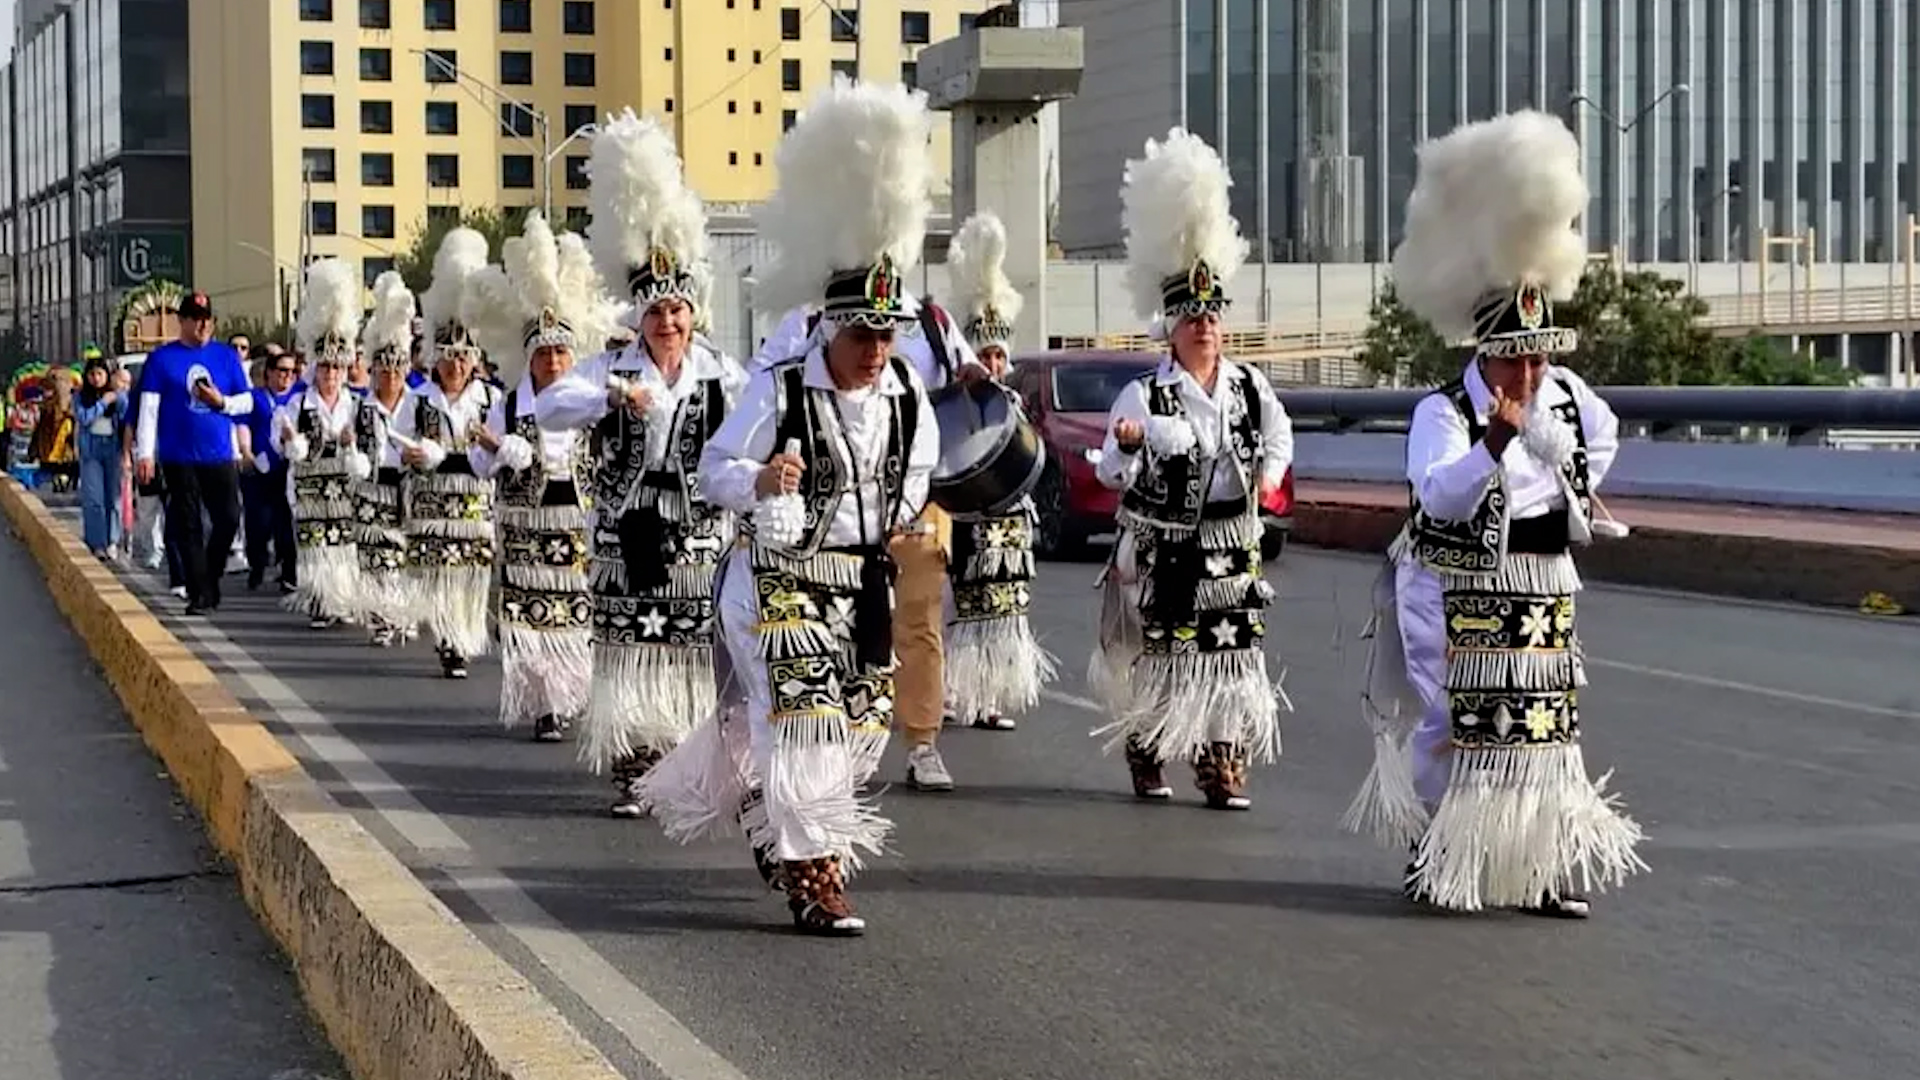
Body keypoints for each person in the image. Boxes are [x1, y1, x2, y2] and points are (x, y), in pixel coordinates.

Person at [637, 77, 941, 936]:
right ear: (829, 328)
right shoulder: (779, 390)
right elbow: (715, 469)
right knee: (803, 716)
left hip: (862, 582)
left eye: (886, 335)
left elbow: (920, 471)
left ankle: (779, 817)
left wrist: (897, 512)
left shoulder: (909, 393)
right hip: (775, 580)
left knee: (863, 725)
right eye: (861, 335)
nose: (875, 351)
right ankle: (814, 874)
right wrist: (764, 481)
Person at [1344, 110, 1646, 918]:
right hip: (1457, 582)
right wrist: (1494, 445)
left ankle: (1541, 862)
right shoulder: (1443, 414)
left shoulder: (1570, 399)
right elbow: (1438, 492)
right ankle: (1443, 845)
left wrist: (1568, 486)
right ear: (1486, 353)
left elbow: (1604, 434)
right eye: (1518, 355)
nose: (1532, 367)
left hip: (1543, 580)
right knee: (1458, 720)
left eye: (1541, 353)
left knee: (1545, 724)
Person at [536, 109, 748, 814]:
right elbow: (549, 408)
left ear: (693, 313)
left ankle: (683, 761)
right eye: (657, 314)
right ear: (640, 317)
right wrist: (609, 395)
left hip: (697, 534)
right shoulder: (608, 366)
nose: (668, 324)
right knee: (630, 646)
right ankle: (632, 763)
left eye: (678, 311)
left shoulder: (721, 372)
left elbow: (758, 422)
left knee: (687, 650)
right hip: (628, 532)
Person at [1090, 128, 1294, 810]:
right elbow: (1110, 471)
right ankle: (1148, 751)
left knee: (1232, 659)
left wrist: (1268, 478)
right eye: (1191, 316)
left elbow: (1280, 437)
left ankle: (1221, 760)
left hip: (1232, 544)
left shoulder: (1249, 388)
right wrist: (1124, 443)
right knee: (1163, 655)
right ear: (1171, 327)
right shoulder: (1144, 394)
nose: (1204, 325)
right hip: (1167, 548)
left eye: (1211, 315)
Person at [464, 212, 610, 742]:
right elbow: (480, 466)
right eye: (544, 352)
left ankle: (568, 698)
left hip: (576, 526)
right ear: (529, 356)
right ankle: (545, 705)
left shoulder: (591, 403)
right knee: (531, 621)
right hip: (526, 529)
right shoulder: (507, 404)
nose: (552, 360)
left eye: (560, 351)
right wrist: (501, 451)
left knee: (573, 618)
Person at [939, 211, 1055, 730]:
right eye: (981, 352)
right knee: (964, 608)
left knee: (1004, 612)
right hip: (969, 520)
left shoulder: (1012, 401)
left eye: (996, 354)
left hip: (1011, 523)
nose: (990, 362)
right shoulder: (956, 401)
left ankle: (992, 696)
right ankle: (958, 691)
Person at [396, 227, 503, 680]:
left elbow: (502, 451)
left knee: (471, 578)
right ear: (434, 358)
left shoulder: (491, 399)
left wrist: (491, 448)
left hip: (476, 503)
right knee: (441, 575)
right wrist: (416, 455)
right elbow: (396, 446)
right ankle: (448, 642)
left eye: (464, 356)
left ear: (474, 359)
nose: (456, 364)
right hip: (435, 503)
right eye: (448, 356)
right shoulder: (418, 400)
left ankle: (465, 635)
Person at [132, 290, 255, 615]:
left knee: (228, 519)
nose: (202, 326)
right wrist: (145, 454)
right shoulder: (161, 359)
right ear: (182, 322)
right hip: (178, 455)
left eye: (207, 320)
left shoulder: (227, 357)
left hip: (219, 454)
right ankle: (199, 594)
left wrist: (222, 403)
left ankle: (209, 577)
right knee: (189, 526)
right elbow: (149, 408)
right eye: (195, 320)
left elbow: (248, 400)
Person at [275, 259, 367, 630]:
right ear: (315, 369)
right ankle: (318, 598)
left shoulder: (356, 405)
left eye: (336, 367)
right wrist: (291, 442)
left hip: (343, 487)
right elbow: (281, 437)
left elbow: (369, 450)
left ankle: (341, 598)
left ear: (345, 369)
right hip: (311, 486)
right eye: (325, 368)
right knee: (315, 545)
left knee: (343, 542)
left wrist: (352, 445)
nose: (330, 374)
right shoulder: (298, 404)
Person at [352, 271, 421, 647]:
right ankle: (381, 617)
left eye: (396, 370)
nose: (390, 376)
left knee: (407, 552)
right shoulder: (361, 407)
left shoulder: (417, 404)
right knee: (376, 554)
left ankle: (405, 614)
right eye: (383, 369)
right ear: (374, 370)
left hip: (408, 484)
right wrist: (353, 453)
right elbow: (351, 447)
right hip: (373, 486)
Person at [239, 347, 302, 592]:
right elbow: (243, 425)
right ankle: (257, 565)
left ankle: (289, 573)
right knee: (259, 525)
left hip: (289, 470)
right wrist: (246, 452)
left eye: (291, 371)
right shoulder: (254, 397)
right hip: (260, 471)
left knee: (286, 525)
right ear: (269, 373)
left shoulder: (300, 398)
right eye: (282, 370)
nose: (287, 376)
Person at [72, 356, 126, 558]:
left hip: (112, 447)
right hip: (91, 449)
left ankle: (112, 539)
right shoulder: (80, 396)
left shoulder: (117, 395)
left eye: (100, 374)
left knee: (113, 497)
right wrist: (103, 403)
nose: (96, 378)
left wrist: (118, 395)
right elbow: (84, 418)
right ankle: (97, 542)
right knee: (94, 499)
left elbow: (126, 416)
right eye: (92, 374)